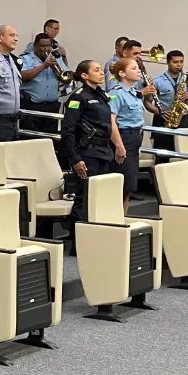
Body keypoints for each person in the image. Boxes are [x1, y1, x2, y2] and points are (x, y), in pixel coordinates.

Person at [62, 60, 126, 243]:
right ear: (84, 75)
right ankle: (77, 242)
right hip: (87, 153)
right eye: (96, 70)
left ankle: (95, 237)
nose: (100, 73)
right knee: (85, 197)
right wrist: (75, 159)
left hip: (103, 151)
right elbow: (68, 131)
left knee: (100, 196)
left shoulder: (102, 95)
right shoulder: (78, 97)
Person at [108, 57, 153, 212]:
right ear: (122, 73)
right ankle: (115, 221)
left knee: (129, 186)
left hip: (134, 139)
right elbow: (111, 121)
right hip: (123, 138)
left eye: (138, 68)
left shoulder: (134, 92)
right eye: (133, 68)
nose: (138, 70)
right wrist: (119, 146)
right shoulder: (116, 93)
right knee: (121, 185)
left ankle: (123, 218)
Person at [19, 31, 67, 142]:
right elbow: (23, 76)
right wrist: (44, 65)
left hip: (52, 105)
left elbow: (65, 76)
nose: (45, 49)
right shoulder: (25, 59)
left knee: (49, 140)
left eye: (48, 46)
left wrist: (61, 61)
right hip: (32, 106)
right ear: (35, 46)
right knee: (30, 140)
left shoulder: (55, 58)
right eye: (42, 46)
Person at [151, 50, 188, 152]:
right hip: (163, 120)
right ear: (168, 63)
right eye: (175, 62)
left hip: (182, 120)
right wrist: (159, 112)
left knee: (183, 154)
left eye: (181, 61)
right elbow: (147, 102)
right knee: (162, 154)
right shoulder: (157, 80)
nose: (179, 65)